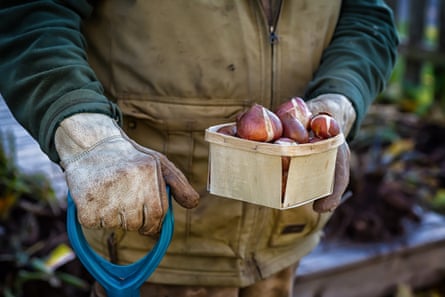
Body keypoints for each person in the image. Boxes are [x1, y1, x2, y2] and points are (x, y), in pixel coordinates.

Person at [0, 1, 399, 296]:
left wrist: (340, 100)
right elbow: (31, 14)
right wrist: (87, 135)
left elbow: (367, 16)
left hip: (284, 239)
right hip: (155, 252)